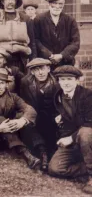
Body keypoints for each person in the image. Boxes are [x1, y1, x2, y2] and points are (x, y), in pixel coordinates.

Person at [0, 68, 44, 170]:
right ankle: (26, 155)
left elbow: (30, 110)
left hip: (10, 136)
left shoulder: (13, 97)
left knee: (24, 118)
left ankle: (43, 154)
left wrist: (22, 121)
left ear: (7, 85)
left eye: (2, 83)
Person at [48, 66, 92, 194]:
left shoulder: (87, 95)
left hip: (87, 137)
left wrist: (71, 138)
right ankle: (84, 165)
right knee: (55, 168)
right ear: (59, 81)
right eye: (62, 79)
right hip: (72, 141)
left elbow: (90, 122)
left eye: (70, 79)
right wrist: (57, 119)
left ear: (77, 80)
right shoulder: (58, 97)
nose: (66, 82)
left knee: (85, 133)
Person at [20, 58, 58, 164]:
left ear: (48, 69)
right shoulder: (25, 82)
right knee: (28, 127)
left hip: (51, 117)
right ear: (32, 72)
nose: (40, 73)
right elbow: (23, 102)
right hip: (33, 116)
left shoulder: (57, 84)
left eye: (43, 69)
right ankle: (42, 152)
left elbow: (59, 105)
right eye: (36, 70)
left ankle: (48, 153)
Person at [34, 0, 80, 67]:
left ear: (63, 5)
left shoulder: (70, 20)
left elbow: (75, 43)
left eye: (60, 4)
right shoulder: (39, 19)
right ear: (49, 4)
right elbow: (35, 40)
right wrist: (48, 54)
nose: (57, 6)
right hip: (45, 62)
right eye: (54, 3)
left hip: (65, 62)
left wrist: (61, 55)